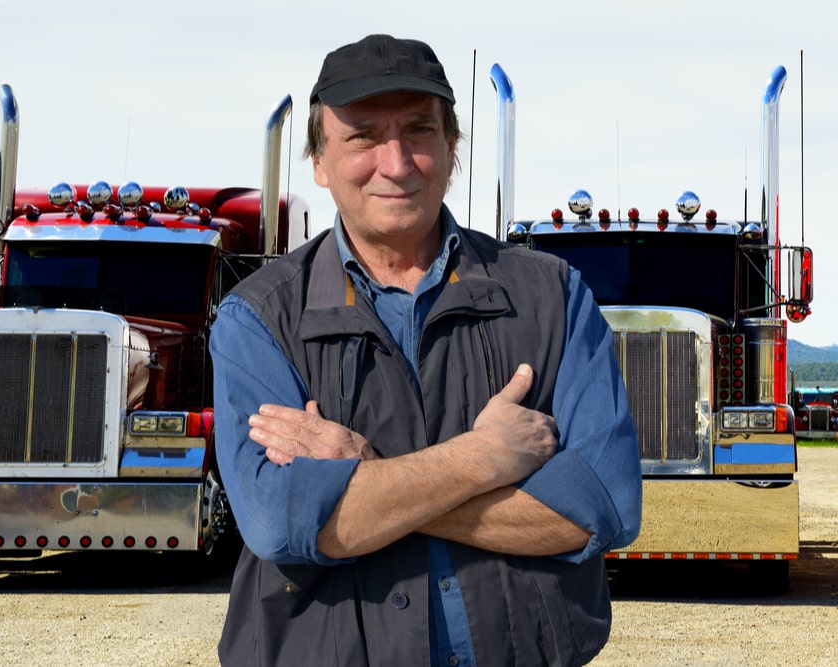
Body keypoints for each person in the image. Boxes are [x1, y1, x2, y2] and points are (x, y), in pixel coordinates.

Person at [210, 33, 642, 666]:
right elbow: (282, 523)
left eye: (418, 131)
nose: (396, 161)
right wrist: (485, 456)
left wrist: (366, 473)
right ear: (320, 160)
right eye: (362, 137)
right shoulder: (259, 318)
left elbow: (602, 505)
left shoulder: (552, 296)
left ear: (451, 149)